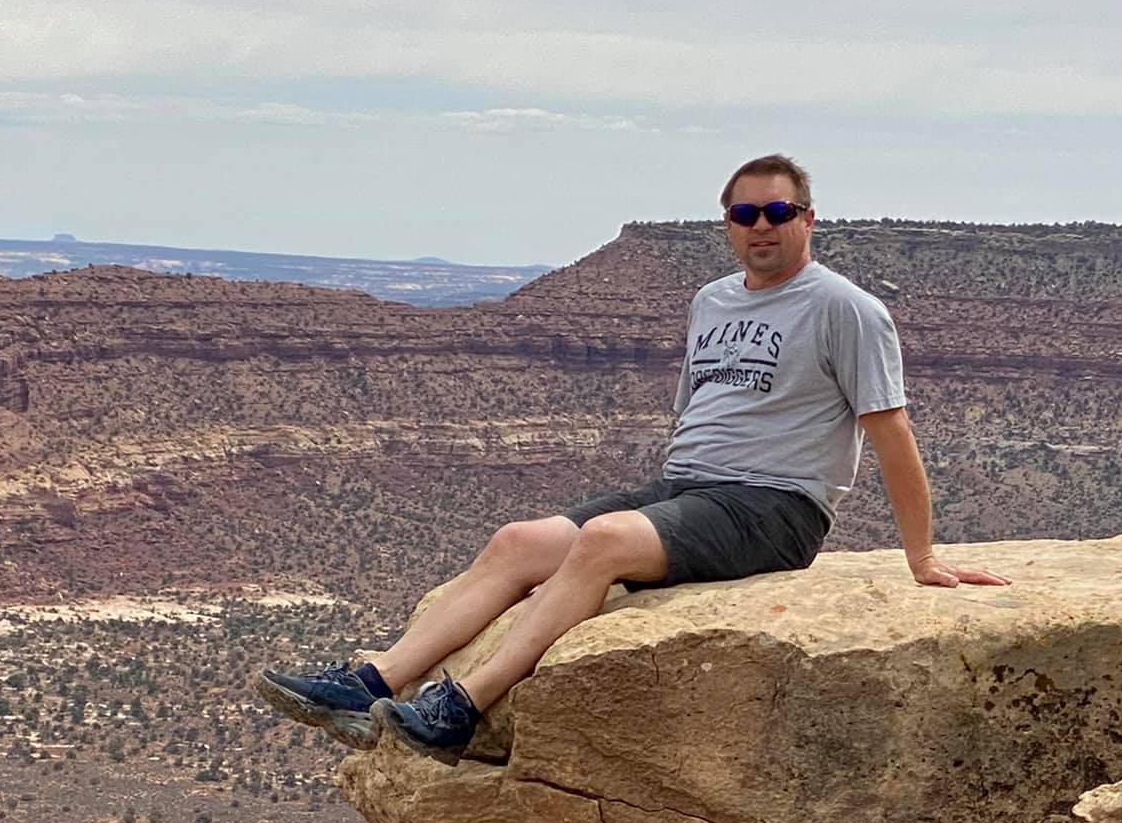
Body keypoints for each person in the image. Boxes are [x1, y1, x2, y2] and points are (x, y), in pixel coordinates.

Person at [255, 153, 1007, 764]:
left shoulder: (846, 309)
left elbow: (891, 432)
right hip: (689, 487)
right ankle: (371, 683)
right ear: (727, 224)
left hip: (774, 506)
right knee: (518, 542)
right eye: (745, 214)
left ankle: (461, 708)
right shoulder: (713, 301)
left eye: (779, 212)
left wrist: (921, 556)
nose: (762, 227)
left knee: (604, 541)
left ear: (808, 219)